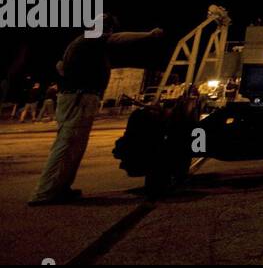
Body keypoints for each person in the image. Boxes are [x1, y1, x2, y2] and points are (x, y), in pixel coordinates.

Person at [28, 16, 165, 206]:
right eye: (108, 28)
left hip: (79, 98)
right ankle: (44, 193)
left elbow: (60, 66)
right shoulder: (91, 39)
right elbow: (117, 39)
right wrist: (149, 35)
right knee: (67, 145)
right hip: (79, 99)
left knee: (75, 147)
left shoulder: (83, 44)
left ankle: (61, 188)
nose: (109, 32)